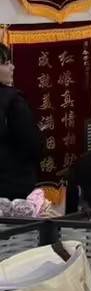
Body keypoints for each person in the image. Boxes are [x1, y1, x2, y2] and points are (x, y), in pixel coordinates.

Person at [0, 44, 41, 200]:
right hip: (13, 184)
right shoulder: (12, 100)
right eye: (6, 63)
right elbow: (31, 143)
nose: (12, 67)